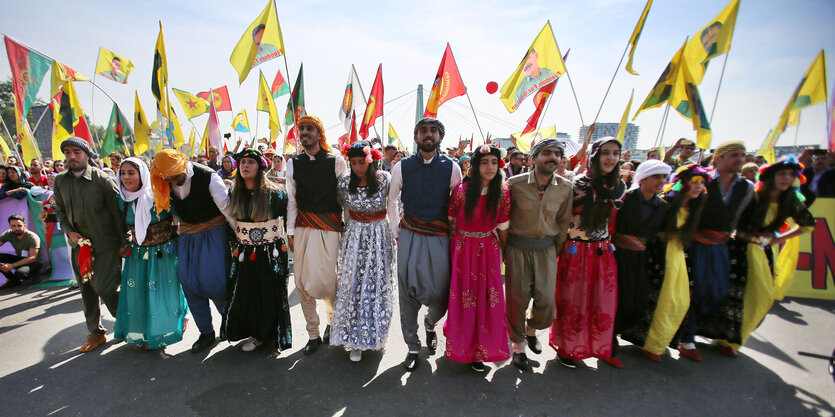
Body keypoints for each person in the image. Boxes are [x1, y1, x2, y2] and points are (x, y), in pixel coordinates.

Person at [717, 157, 815, 356]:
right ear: (771, 177)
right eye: (782, 173)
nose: (787, 178)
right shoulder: (753, 195)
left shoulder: (790, 201)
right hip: (737, 250)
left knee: (762, 297)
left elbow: (807, 224)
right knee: (729, 294)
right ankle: (724, 338)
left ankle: (734, 340)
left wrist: (777, 239)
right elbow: (729, 217)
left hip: (762, 253)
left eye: (791, 174)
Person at [388, 117, 463, 371]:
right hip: (409, 233)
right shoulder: (402, 167)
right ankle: (412, 346)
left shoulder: (452, 167)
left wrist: (454, 236)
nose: (428, 134)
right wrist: (396, 232)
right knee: (407, 290)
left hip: (441, 235)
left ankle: (431, 323)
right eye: (423, 131)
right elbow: (392, 200)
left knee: (441, 291)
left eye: (433, 131)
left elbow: (457, 204)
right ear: (416, 136)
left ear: (440, 137)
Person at [550, 137, 625, 368]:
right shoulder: (575, 185)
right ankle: (569, 348)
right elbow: (559, 219)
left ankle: (600, 346)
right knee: (573, 302)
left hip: (603, 253)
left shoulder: (619, 187)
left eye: (615, 153)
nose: (611, 157)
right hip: (576, 253)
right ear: (594, 156)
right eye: (606, 152)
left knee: (601, 303)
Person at [150, 149, 234, 353]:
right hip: (187, 236)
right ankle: (206, 332)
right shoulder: (164, 181)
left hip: (213, 233)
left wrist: (238, 236)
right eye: (166, 176)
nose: (170, 179)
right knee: (189, 282)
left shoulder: (208, 177)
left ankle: (230, 324)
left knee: (216, 283)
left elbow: (227, 209)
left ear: (182, 165)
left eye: (174, 175)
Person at [627, 165, 710, 364]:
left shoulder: (695, 207)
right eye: (694, 182)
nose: (698, 187)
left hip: (678, 256)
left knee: (680, 301)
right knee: (662, 300)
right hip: (659, 255)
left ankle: (660, 342)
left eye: (702, 183)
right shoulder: (667, 203)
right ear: (683, 183)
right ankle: (650, 343)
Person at [679, 140, 753, 361]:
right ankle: (687, 338)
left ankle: (715, 335)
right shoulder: (702, 179)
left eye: (742, 155)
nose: (739, 159)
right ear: (719, 158)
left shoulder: (746, 187)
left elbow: (742, 218)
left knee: (719, 291)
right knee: (695, 290)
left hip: (722, 246)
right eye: (734, 155)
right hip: (695, 243)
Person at [53, 137, 126, 353]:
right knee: (86, 289)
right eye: (67, 152)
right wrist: (69, 232)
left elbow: (117, 215)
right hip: (78, 246)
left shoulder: (103, 180)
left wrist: (125, 244)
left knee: (104, 287)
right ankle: (96, 332)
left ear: (87, 154)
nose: (71, 156)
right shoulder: (60, 181)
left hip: (106, 245)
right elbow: (59, 210)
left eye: (76, 151)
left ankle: (127, 322)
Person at [504, 139, 572, 371]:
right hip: (517, 249)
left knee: (547, 302)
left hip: (546, 250)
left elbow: (563, 223)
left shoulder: (565, 187)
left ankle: (531, 331)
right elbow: (502, 220)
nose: (552, 157)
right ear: (534, 158)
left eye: (556, 154)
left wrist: (557, 251)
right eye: (546, 153)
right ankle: (518, 345)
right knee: (517, 299)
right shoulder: (514, 184)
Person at [443, 145, 511, 372]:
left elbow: (502, 227)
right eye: (485, 162)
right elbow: (450, 221)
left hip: (489, 251)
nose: (490, 167)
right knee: (463, 297)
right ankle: (461, 344)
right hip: (463, 248)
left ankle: (480, 350)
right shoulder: (462, 191)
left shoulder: (503, 192)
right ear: (476, 166)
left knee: (486, 299)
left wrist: (505, 253)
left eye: (494, 162)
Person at [286, 115, 347, 355]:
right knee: (301, 282)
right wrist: (290, 232)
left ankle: (332, 322)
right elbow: (291, 199)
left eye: (310, 129)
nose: (304, 133)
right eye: (301, 129)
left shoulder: (336, 161)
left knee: (326, 282)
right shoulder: (294, 163)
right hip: (302, 227)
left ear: (319, 133)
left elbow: (345, 200)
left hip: (329, 228)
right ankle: (313, 333)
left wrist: (349, 229)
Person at [330, 141, 395, 362]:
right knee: (353, 285)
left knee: (377, 283)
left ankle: (375, 335)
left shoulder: (385, 179)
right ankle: (354, 338)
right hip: (355, 235)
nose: (358, 167)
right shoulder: (345, 182)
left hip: (379, 235)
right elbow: (340, 207)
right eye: (354, 162)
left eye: (362, 162)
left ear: (371, 160)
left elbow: (395, 204)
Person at [113, 157, 187, 350]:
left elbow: (179, 216)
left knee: (165, 293)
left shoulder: (159, 193)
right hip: (138, 255)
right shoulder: (122, 199)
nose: (126, 178)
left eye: (131, 173)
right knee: (141, 294)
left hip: (164, 252)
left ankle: (163, 332)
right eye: (123, 173)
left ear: (142, 174)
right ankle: (146, 333)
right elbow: (119, 225)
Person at [222, 148, 292, 353]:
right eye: (242, 162)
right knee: (247, 293)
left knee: (270, 293)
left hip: (271, 252)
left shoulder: (275, 193)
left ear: (260, 166)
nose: (245, 166)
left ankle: (267, 334)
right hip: (245, 252)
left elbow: (290, 217)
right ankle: (254, 333)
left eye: (250, 162)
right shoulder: (233, 193)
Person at [610, 160, 671, 366]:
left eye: (664, 177)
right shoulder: (625, 199)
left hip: (642, 259)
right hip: (619, 256)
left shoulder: (662, 206)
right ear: (643, 179)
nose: (661, 182)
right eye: (657, 177)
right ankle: (609, 345)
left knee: (638, 301)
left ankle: (625, 335)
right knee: (619, 301)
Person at [0, 214, 43, 289]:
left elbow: (32, 258)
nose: (17, 228)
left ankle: (34, 274)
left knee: (20, 273)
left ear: (24, 225)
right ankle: (13, 281)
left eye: (19, 225)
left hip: (34, 262)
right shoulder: (8, 234)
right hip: (21, 259)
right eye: (13, 226)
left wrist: (12, 266)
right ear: (10, 227)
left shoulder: (32, 237)